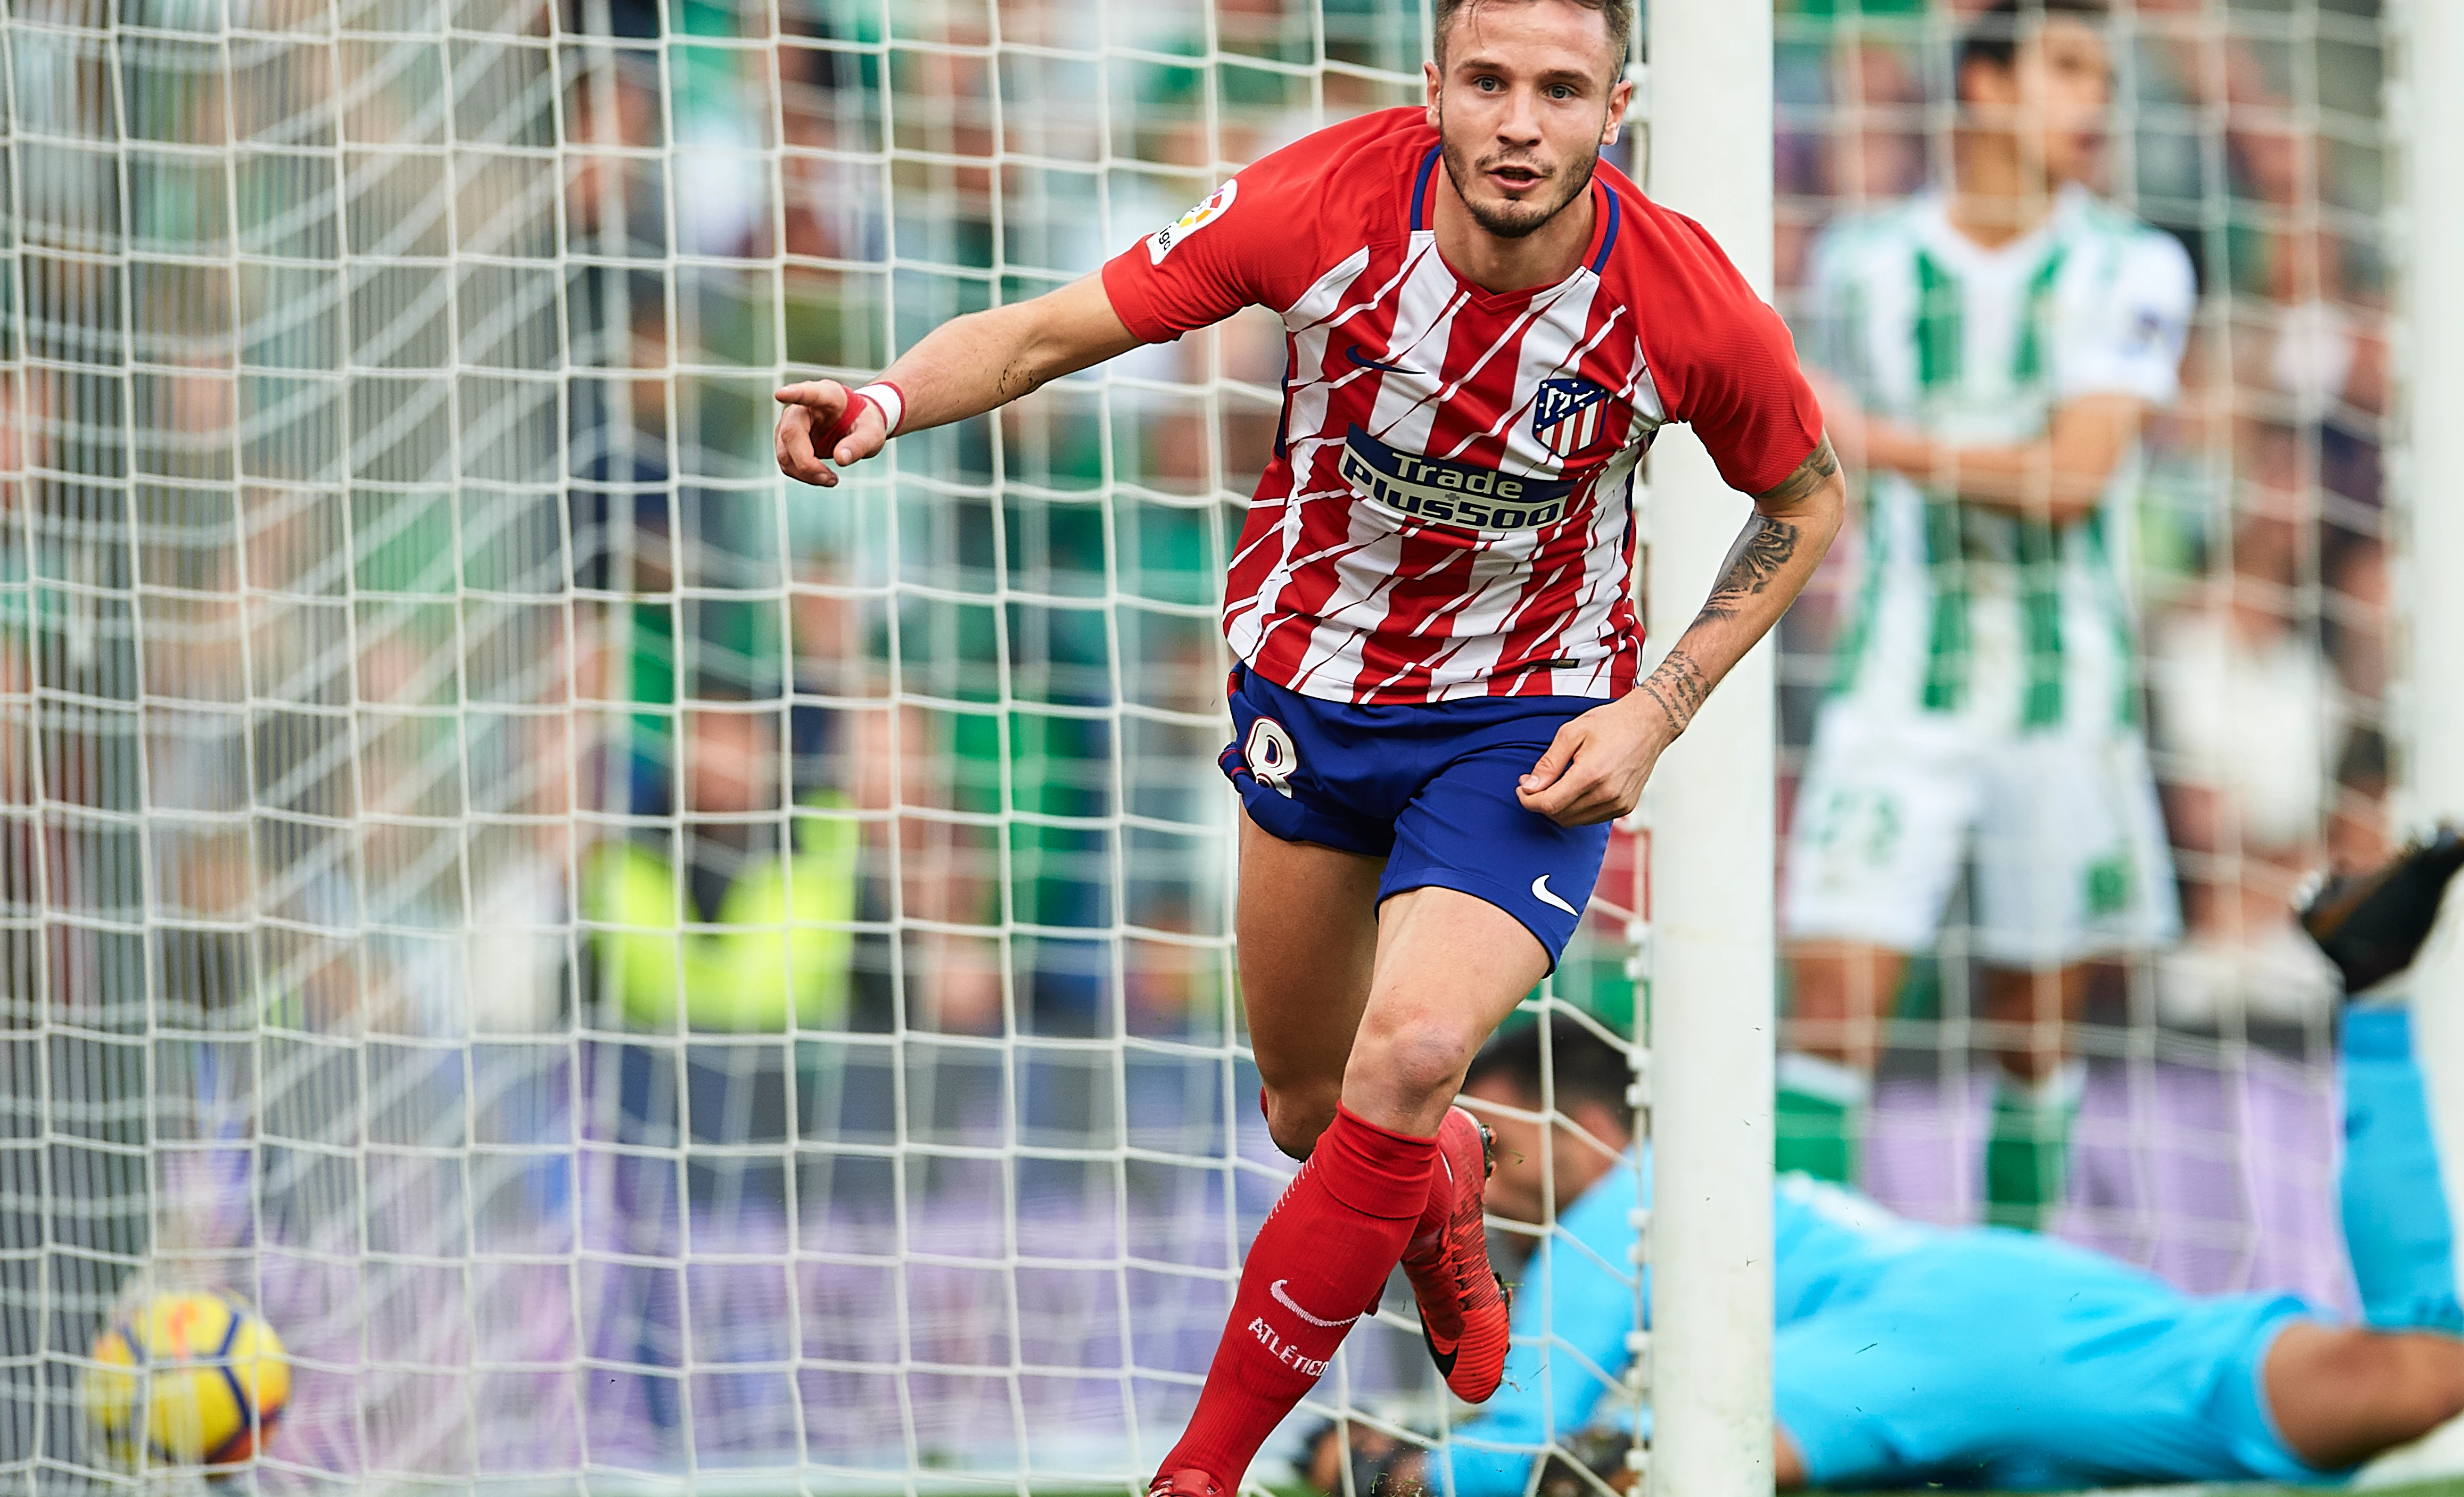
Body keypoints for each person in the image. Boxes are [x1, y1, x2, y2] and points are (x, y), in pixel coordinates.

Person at [769, 0, 1844, 1488]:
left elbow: (1806, 499)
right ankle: (1446, 1171)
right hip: (1311, 695)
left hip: (1525, 721)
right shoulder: (1320, 205)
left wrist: (1656, 709)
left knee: (1406, 1053)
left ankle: (1195, 1470)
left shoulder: (1681, 301)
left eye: (1556, 89)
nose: (1518, 122)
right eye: (1486, 81)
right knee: (1309, 1107)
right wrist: (883, 398)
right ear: (1436, 87)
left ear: (1617, 106)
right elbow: (1043, 332)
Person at [1314, 825, 2464, 1494]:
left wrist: (1356, 1465)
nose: (1459, 1161)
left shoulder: (1628, 1202)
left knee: (1663, 1473)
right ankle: (2375, 992)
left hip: (1919, 1352)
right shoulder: (1732, 1195)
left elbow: (1510, 1450)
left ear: (1573, 1118)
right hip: (2016, 1303)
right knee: (2416, 1374)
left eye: (1480, 1125)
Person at [1778, 0, 2193, 1228]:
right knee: (1830, 1007)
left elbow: (2072, 480)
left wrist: (1878, 438)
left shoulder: (2136, 263)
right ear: (1984, 88)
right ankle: (1806, 1323)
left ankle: (2006, 1314)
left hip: (2067, 707)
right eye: (2065, 69)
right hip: (1894, 688)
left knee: (2036, 1034)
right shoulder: (1856, 264)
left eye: (2098, 75)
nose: (2093, 100)